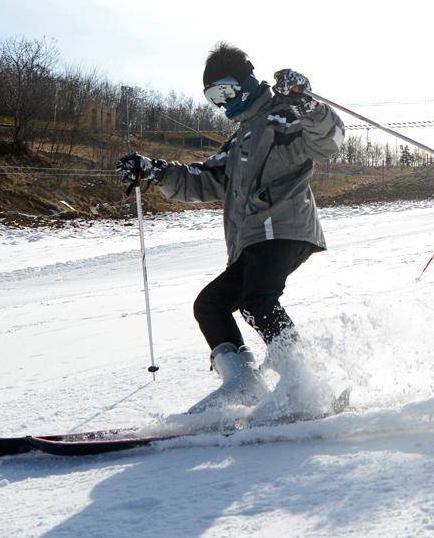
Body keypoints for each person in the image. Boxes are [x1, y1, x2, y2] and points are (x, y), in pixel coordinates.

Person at [115, 43, 345, 414]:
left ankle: (306, 383)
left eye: (225, 90)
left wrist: (306, 101)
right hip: (253, 239)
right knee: (211, 304)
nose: (222, 103)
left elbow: (329, 142)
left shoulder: (282, 116)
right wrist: (156, 170)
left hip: (283, 227)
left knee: (257, 300)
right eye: (212, 96)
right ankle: (243, 383)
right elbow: (204, 179)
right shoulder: (241, 138)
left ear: (248, 81)